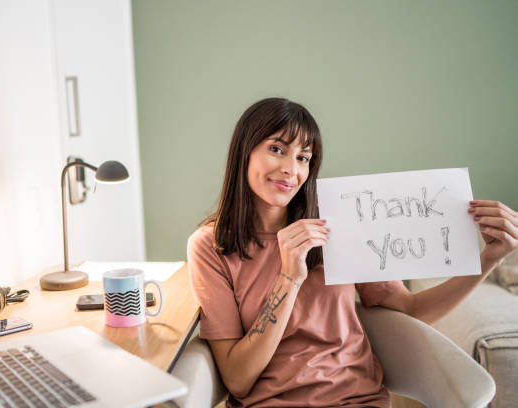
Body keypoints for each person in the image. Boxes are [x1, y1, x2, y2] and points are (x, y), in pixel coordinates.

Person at [186, 97, 518, 407]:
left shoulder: (340, 225)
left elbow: (411, 310)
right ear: (244, 151)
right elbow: (238, 380)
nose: (292, 169)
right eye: (277, 149)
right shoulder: (211, 245)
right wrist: (288, 278)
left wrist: (488, 259)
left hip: (358, 400)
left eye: (303, 157)